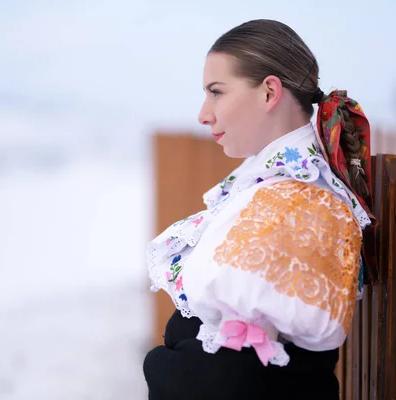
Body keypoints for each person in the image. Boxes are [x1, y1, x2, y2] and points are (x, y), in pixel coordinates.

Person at [143, 19, 378, 400]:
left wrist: (160, 366)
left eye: (216, 92)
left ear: (269, 92)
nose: (203, 114)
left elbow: (233, 380)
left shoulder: (298, 202)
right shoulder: (281, 189)